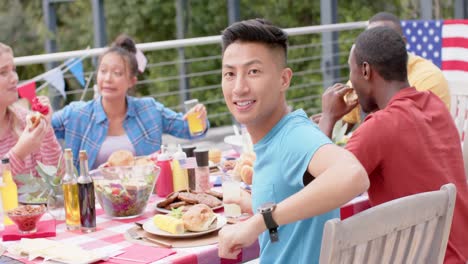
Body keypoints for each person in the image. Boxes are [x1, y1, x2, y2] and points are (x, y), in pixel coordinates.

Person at [217, 19, 369, 263]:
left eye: (253, 72)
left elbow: (354, 175)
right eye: (229, 74)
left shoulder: (294, 136)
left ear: (284, 80)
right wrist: (253, 204)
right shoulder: (278, 136)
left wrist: (259, 221)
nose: (239, 87)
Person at [319, 27, 468, 264]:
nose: (351, 81)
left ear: (366, 70)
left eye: (351, 70)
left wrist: (328, 118)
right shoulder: (435, 106)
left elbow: (319, 187)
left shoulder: (380, 127)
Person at [52, 35, 209, 169]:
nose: (107, 79)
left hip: (143, 196)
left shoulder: (149, 110)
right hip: (89, 200)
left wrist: (199, 118)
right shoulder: (75, 114)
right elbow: (40, 129)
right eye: (103, 71)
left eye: (117, 73)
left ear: (132, 81)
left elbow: (189, 130)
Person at [312, 12, 451, 126]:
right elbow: (346, 122)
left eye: (383, 39)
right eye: (369, 39)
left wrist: (327, 122)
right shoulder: (362, 76)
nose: (374, 45)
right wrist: (329, 119)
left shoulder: (428, 78)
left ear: (402, 43)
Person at [0, 42, 62, 181]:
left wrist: (45, 129)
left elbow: (57, 178)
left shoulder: (25, 119)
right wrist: (19, 153)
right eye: (3, 72)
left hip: (34, 203)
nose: (15, 78)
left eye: (13, 70)